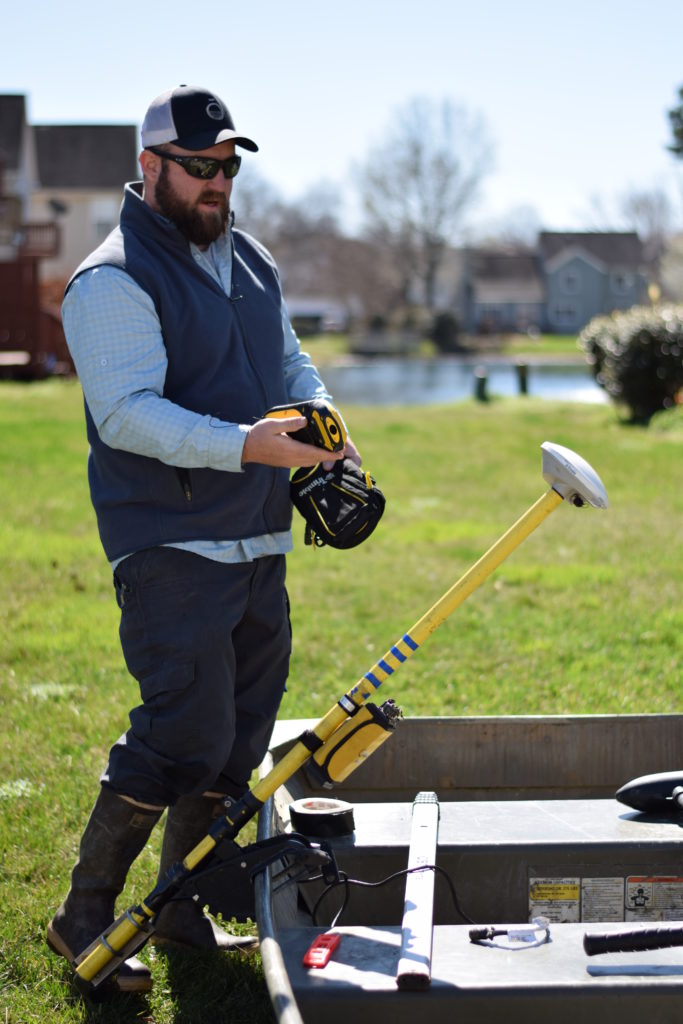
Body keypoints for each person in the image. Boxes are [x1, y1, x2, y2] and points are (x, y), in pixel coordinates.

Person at [46, 84, 360, 993]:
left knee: (235, 742)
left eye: (227, 166)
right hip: (170, 545)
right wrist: (246, 446)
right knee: (181, 730)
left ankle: (179, 907)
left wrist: (324, 425)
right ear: (150, 169)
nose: (218, 182)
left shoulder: (250, 259)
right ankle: (84, 916)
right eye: (198, 167)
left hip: (258, 541)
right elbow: (127, 412)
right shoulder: (110, 279)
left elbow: (290, 361)